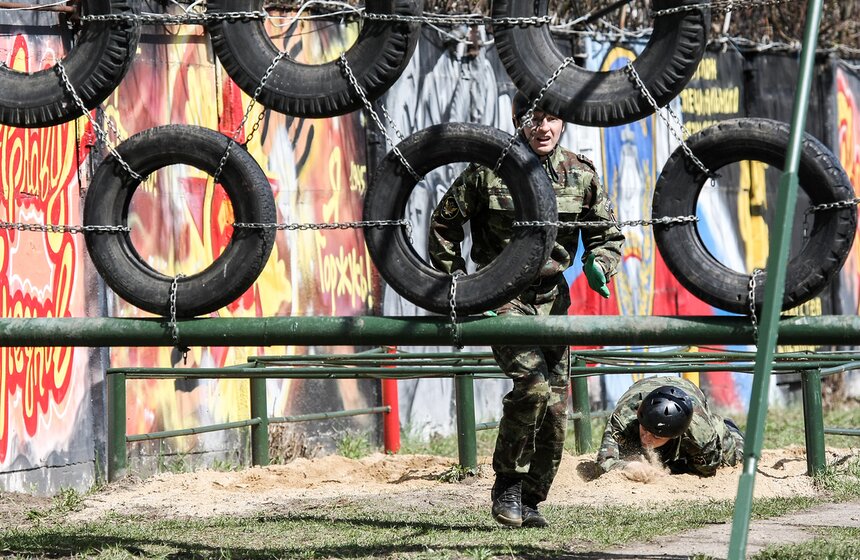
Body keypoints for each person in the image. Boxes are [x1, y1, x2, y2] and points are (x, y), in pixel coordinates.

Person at [428, 91, 625, 528]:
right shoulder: (488, 170)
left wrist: (600, 264)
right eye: (534, 118)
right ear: (518, 121)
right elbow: (444, 222)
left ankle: (532, 499)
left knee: (555, 409)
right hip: (500, 294)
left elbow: (607, 235)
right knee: (532, 387)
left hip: (553, 298)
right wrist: (458, 282)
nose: (543, 127)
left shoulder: (581, 175)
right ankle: (507, 487)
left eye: (552, 118)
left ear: (563, 123)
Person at [596, 376, 745, 477]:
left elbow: (709, 468)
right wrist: (627, 466)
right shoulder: (624, 417)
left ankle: (729, 426)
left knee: (734, 459)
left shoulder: (700, 434)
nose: (646, 437)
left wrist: (672, 467)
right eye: (645, 429)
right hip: (645, 389)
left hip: (690, 395)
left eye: (656, 436)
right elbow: (604, 461)